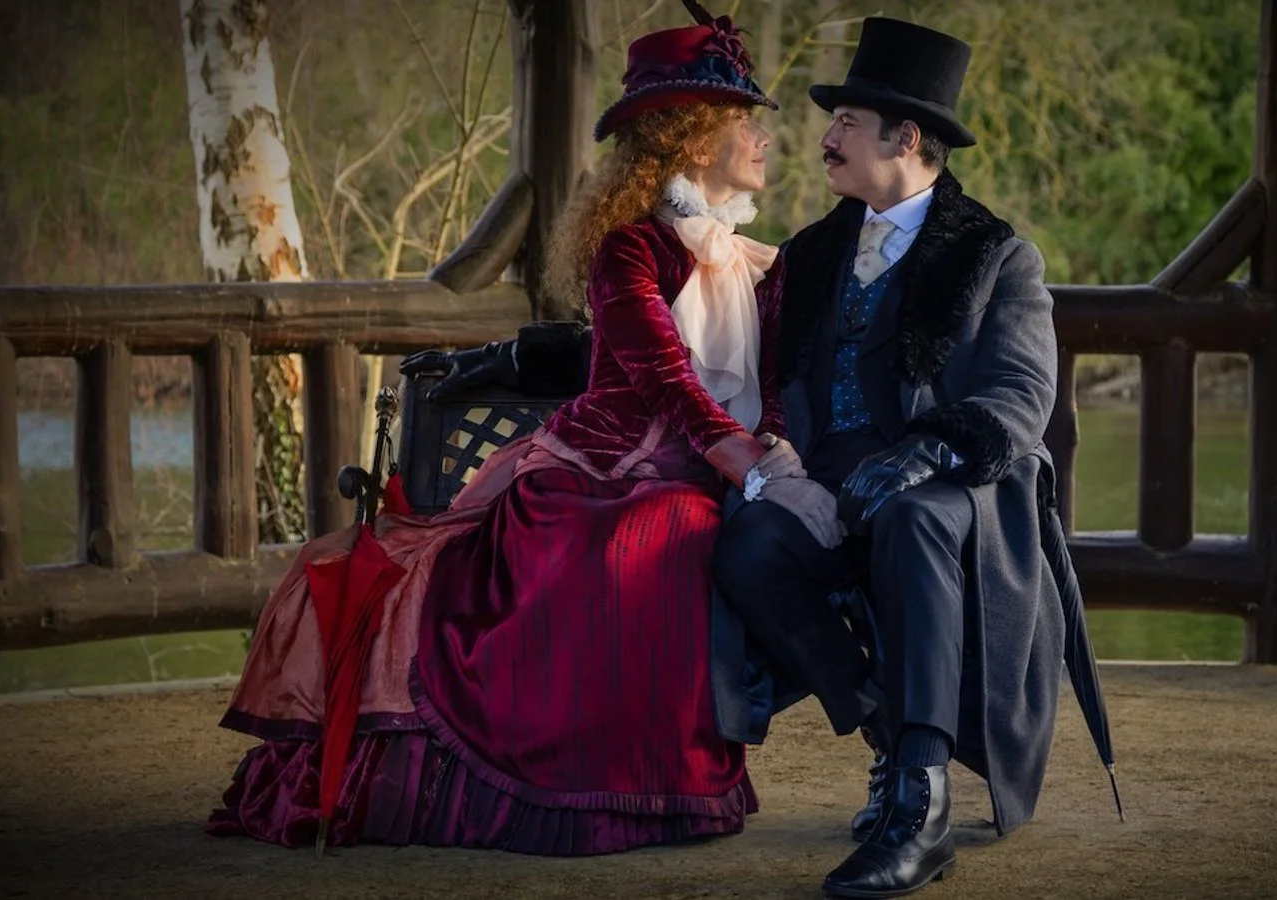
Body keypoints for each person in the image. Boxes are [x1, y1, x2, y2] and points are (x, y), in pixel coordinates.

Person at [206, 3, 805, 857]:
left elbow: (769, 388)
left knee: (693, 523)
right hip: (599, 475)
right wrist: (748, 463)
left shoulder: (759, 264)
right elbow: (666, 382)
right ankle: (592, 788)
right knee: (655, 533)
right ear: (693, 136)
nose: (761, 135)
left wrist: (775, 450)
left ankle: (673, 783)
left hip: (703, 469)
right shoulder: (630, 251)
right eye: (742, 118)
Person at [711, 17, 1078, 898]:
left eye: (848, 121)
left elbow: (1020, 397)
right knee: (751, 544)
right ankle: (885, 724)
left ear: (905, 138)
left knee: (912, 521)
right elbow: (719, 343)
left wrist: (926, 453)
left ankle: (922, 809)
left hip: (957, 488)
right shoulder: (812, 253)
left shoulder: (997, 256)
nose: (827, 137)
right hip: (833, 479)